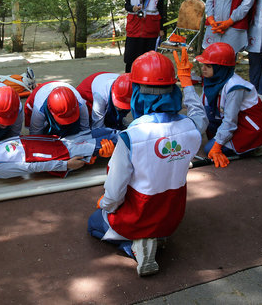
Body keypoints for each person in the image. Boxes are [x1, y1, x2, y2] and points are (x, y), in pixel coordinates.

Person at [87, 49, 207, 277]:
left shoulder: (131, 136)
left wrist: (105, 205)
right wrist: (187, 82)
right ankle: (157, 236)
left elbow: (114, 191)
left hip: (138, 217)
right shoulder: (192, 128)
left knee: (94, 223)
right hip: (172, 217)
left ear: (136, 94)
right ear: (174, 91)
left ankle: (133, 246)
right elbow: (200, 114)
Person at [197, 42, 262, 166]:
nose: (203, 69)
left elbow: (230, 121)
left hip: (250, 128)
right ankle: (227, 142)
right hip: (235, 122)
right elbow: (200, 108)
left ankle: (254, 147)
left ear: (220, 68)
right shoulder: (212, 80)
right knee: (206, 113)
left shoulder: (235, 87)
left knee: (209, 149)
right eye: (203, 65)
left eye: (208, 66)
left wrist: (217, 146)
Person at [0, 129, 116, 179]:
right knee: (115, 140)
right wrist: (66, 165)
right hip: (64, 153)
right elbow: (30, 167)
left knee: (109, 131)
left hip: (61, 142)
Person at [123, 0, 167, 72]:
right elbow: (126, 5)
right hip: (134, 27)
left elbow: (161, 9)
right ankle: (129, 82)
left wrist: (162, 28)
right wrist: (133, 8)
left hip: (151, 28)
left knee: (149, 59)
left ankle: (148, 83)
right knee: (131, 58)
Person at [25, 81, 90, 137]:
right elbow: (36, 134)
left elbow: (85, 129)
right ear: (50, 109)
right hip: (40, 94)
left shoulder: (80, 103)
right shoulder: (39, 108)